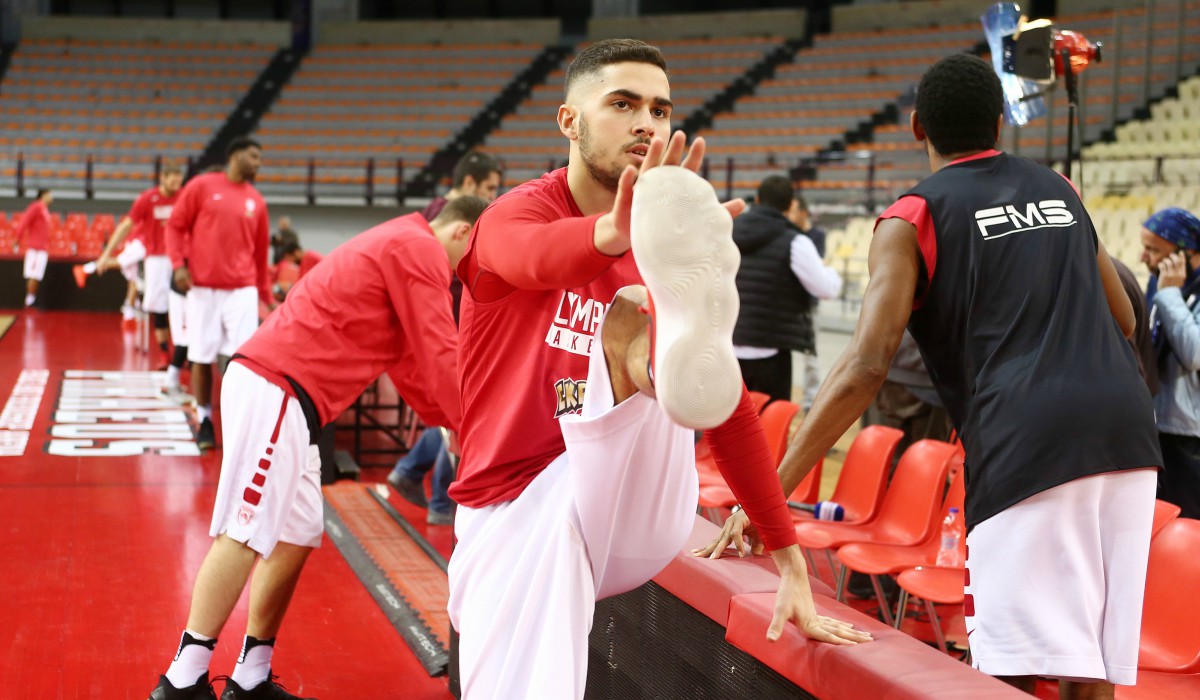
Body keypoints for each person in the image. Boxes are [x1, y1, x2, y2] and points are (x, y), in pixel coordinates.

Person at [702, 54, 1160, 699]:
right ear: (1000, 123)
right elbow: (1126, 318)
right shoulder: (1061, 188)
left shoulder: (912, 215)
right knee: (1091, 662)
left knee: (1005, 665)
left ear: (917, 126)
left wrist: (767, 497)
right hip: (1128, 432)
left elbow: (866, 366)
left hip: (1027, 438)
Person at [447, 39, 869, 700]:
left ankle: (652, 355)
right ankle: (647, 356)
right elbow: (533, 256)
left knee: (646, 313)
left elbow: (727, 406)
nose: (647, 123)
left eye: (660, 109)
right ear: (569, 121)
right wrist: (610, 235)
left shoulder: (657, 252)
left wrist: (791, 562)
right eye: (623, 104)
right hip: (516, 504)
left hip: (636, 502)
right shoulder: (514, 215)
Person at [147, 196, 485, 700]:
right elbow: (440, 351)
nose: (469, 272)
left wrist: (448, 424)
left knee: (297, 532)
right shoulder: (419, 248)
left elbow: (411, 367)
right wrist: (475, 429)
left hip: (293, 400)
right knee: (244, 530)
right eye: (474, 255)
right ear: (461, 232)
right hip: (278, 387)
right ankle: (181, 681)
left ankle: (251, 675)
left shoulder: (403, 243)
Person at [167, 137, 273, 451]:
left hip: (242, 290)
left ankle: (238, 423)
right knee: (200, 356)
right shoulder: (202, 186)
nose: (258, 163)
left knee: (244, 360)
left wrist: (266, 298)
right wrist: (178, 265)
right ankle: (205, 420)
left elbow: (260, 255)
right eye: (254, 156)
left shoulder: (257, 201)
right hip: (202, 289)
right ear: (235, 155)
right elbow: (175, 226)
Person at [732, 176, 841, 403]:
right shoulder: (795, 241)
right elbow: (826, 289)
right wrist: (830, 271)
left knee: (726, 422)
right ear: (791, 205)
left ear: (758, 199)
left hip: (725, 349)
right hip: (771, 354)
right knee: (768, 422)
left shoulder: (726, 231)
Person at [75, 162, 185, 366]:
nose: (177, 184)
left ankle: (182, 353)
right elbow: (126, 225)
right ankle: (165, 354)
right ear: (163, 178)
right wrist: (105, 254)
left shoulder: (184, 196)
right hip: (156, 259)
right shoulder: (147, 199)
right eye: (173, 180)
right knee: (159, 307)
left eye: (179, 180)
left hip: (180, 257)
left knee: (183, 308)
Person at [1140, 207, 1200, 518]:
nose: (1143, 258)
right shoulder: (1159, 284)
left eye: (1153, 250)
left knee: (1190, 524)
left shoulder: (1168, 290)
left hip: (1190, 437)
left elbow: (1195, 354)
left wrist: (1169, 295)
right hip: (1157, 427)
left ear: (1186, 254)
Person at [786, 194, 827, 408]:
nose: (790, 215)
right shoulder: (788, 233)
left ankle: (810, 400)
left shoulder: (817, 235)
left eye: (793, 211)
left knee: (811, 355)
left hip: (808, 303)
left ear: (803, 212)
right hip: (788, 301)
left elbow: (816, 266)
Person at [420, 150, 501, 221]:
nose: (493, 197)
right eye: (490, 188)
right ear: (469, 183)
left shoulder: (439, 208)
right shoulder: (444, 214)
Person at [15, 188, 52, 308]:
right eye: (49, 195)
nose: (51, 197)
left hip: (42, 248)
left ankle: (31, 300)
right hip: (35, 248)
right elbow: (24, 221)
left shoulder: (45, 209)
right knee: (33, 275)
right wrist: (17, 238)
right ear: (43, 195)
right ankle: (29, 301)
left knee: (37, 275)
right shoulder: (36, 206)